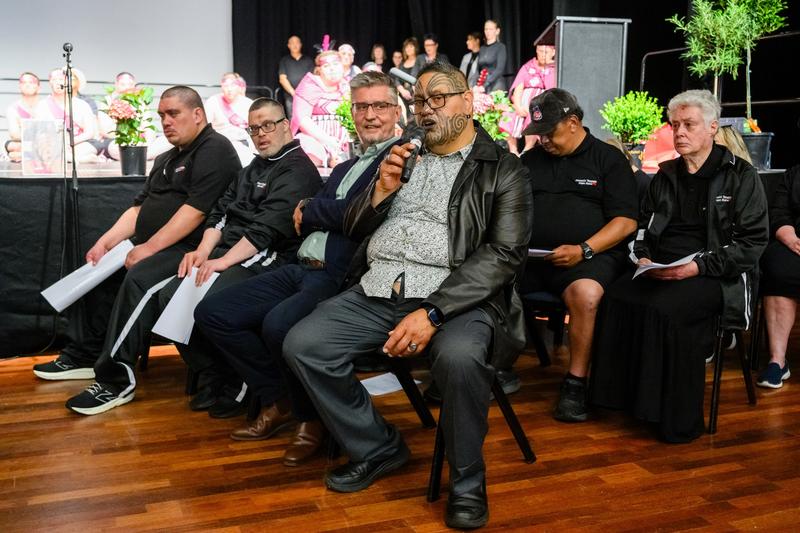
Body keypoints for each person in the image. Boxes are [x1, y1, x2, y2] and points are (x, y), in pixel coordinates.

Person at [282, 61, 532, 530]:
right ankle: (378, 447)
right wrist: (381, 190)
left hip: (457, 297)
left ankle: (467, 482)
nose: (426, 109)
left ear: (467, 102)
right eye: (419, 101)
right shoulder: (404, 156)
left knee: (459, 359)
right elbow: (354, 226)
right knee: (304, 343)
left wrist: (433, 312)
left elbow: (504, 255)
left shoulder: (503, 169)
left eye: (438, 98)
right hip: (380, 286)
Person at [193, 71, 401, 463]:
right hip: (301, 265)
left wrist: (313, 209)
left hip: (340, 274)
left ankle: (311, 419)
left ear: (396, 111)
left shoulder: (401, 159)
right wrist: (320, 210)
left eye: (379, 106)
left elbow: (356, 216)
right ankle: (281, 398)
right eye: (361, 107)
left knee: (278, 324)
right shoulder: (344, 167)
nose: (369, 115)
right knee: (213, 313)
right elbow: (312, 215)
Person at [84, 98, 317, 418]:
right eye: (254, 128)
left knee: (207, 300)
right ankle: (214, 372)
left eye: (268, 125)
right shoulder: (253, 167)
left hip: (268, 259)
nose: (261, 134)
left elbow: (265, 231)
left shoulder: (297, 169)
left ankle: (240, 383)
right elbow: (220, 213)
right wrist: (204, 252)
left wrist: (222, 261)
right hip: (228, 252)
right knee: (170, 295)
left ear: (286, 125)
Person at [31, 86, 241, 403]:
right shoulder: (168, 157)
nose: (166, 121)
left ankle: (115, 380)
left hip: (192, 248)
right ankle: (86, 354)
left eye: (174, 113)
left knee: (139, 279)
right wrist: (106, 242)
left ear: (197, 114)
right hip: (156, 244)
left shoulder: (215, 149)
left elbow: (196, 211)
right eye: (162, 115)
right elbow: (139, 209)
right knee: (99, 272)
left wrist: (149, 247)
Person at [590, 89, 769, 442]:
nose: (679, 132)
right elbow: (642, 227)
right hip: (661, 264)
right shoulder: (666, 175)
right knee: (616, 296)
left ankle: (674, 419)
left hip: (716, 273)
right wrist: (642, 257)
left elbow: (752, 244)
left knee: (667, 309)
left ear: (713, 127)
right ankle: (624, 402)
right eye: (674, 125)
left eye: (689, 124)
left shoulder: (741, 177)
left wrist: (697, 267)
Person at [519, 88, 639, 423]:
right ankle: (490, 368)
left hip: (590, 256)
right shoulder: (530, 161)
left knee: (586, 295)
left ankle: (576, 383)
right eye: (539, 133)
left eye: (550, 132)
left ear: (573, 122)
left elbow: (626, 221)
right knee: (484, 278)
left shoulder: (608, 160)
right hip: (532, 257)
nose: (544, 140)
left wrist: (583, 249)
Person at [756, 163, 800, 388]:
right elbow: (779, 213)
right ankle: (777, 361)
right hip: (796, 243)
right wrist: (791, 239)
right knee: (778, 267)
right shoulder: (794, 173)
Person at [291, 50, 350, 168]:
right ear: (319, 70)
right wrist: (328, 140)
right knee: (306, 151)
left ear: (342, 67)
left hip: (344, 144)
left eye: (336, 64)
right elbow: (302, 119)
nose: (332, 69)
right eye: (326, 66)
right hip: (315, 141)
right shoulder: (309, 86)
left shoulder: (347, 87)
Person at [34, 68, 99, 163]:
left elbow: (89, 132)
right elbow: (39, 132)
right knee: (48, 151)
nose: (58, 83)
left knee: (80, 149)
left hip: (79, 143)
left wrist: (70, 142)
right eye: (54, 79)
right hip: (52, 145)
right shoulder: (42, 105)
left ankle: (68, 158)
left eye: (61, 79)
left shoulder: (82, 104)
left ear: (68, 82)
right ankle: (79, 159)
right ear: (50, 82)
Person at [503, 44, 556, 155]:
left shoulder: (555, 69)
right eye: (540, 51)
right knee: (508, 115)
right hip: (521, 105)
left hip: (541, 104)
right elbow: (518, 87)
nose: (543, 54)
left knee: (535, 116)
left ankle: (527, 150)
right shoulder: (528, 66)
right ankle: (513, 151)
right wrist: (518, 105)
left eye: (546, 52)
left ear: (553, 52)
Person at [205, 72, 256, 166]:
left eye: (233, 85)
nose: (229, 89)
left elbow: (253, 128)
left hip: (244, 143)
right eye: (226, 86)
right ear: (222, 87)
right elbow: (205, 127)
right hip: (220, 145)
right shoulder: (213, 102)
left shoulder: (248, 103)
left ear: (239, 87)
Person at [4, 72, 40, 162]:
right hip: (24, 144)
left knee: (15, 154)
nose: (27, 85)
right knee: (12, 146)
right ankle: (35, 156)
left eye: (31, 82)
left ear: (38, 87)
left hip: (43, 144)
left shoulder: (45, 106)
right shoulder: (13, 109)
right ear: (19, 86)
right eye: (24, 82)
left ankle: (27, 156)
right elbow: (14, 134)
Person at [278, 36, 315, 120]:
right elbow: (282, 79)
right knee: (293, 119)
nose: (295, 45)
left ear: (301, 45)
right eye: (292, 43)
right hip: (290, 97)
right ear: (288, 46)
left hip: (306, 96)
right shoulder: (284, 60)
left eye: (297, 43)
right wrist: (293, 93)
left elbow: (312, 78)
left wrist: (302, 94)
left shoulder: (308, 60)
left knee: (307, 119)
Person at [477, 19, 507, 92]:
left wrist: (486, 83)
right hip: (482, 84)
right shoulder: (482, 48)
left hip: (496, 84)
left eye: (490, 29)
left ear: (497, 31)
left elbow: (499, 69)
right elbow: (478, 70)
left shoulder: (500, 47)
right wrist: (475, 84)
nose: (487, 31)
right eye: (486, 29)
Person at [396, 37, 420, 104]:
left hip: (417, 98)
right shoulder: (402, 64)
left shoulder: (420, 61)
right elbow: (397, 80)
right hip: (403, 97)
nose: (408, 49)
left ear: (416, 48)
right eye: (406, 47)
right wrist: (402, 91)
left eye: (411, 47)